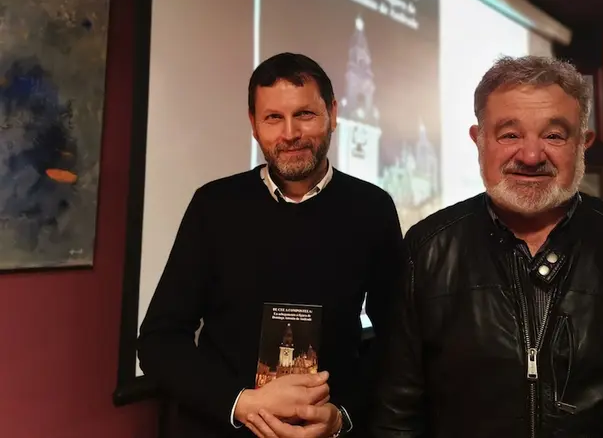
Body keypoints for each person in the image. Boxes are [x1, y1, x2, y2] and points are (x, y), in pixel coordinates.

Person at [370, 55, 603, 437]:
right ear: (479, 140)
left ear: (583, 144)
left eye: (554, 135)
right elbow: (396, 415)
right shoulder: (427, 250)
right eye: (509, 135)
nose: (531, 156)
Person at [138, 52, 405, 438]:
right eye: (273, 118)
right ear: (253, 124)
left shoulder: (372, 208)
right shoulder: (214, 206)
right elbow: (159, 340)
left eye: (305, 115)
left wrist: (343, 415)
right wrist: (240, 403)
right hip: (222, 429)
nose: (290, 133)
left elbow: (397, 339)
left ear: (332, 112)